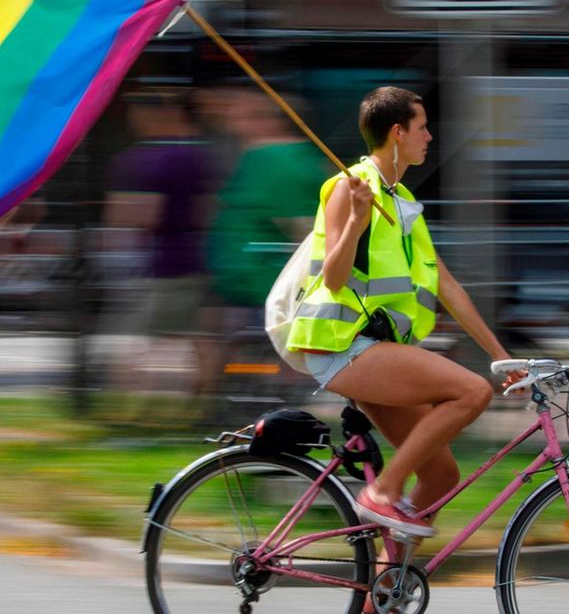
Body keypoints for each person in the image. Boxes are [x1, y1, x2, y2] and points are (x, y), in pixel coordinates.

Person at [285, 86, 525, 537]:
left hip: (375, 350)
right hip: (341, 346)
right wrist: (356, 220)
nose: (429, 137)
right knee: (472, 393)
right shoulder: (348, 188)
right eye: (422, 127)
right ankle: (381, 493)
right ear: (398, 133)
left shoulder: (401, 203)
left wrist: (502, 356)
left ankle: (386, 593)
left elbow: (447, 287)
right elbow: (334, 279)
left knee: (441, 477)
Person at [103, 89, 216, 397]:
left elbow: (143, 214)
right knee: (200, 337)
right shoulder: (201, 154)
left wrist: (119, 212)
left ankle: (130, 410)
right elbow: (208, 209)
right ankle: (206, 400)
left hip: (163, 265)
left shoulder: (150, 159)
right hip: (199, 259)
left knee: (138, 342)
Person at [207, 87, 328, 336]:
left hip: (268, 293)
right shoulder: (261, 158)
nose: (230, 121)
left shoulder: (277, 161)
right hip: (249, 289)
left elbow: (302, 229)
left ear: (268, 120)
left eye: (240, 114)